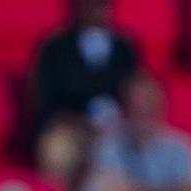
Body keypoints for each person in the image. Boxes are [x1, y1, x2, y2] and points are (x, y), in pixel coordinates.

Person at [91, 74, 191, 191]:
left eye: (149, 106)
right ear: (125, 109)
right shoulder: (108, 146)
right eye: (138, 107)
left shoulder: (182, 146)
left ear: (161, 107)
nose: (144, 112)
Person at [29, 0, 141, 142]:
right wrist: (79, 121)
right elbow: (45, 99)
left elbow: (137, 92)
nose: (95, 9)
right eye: (88, 4)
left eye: (101, 4)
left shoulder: (125, 49)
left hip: (117, 130)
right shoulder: (56, 48)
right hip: (70, 129)